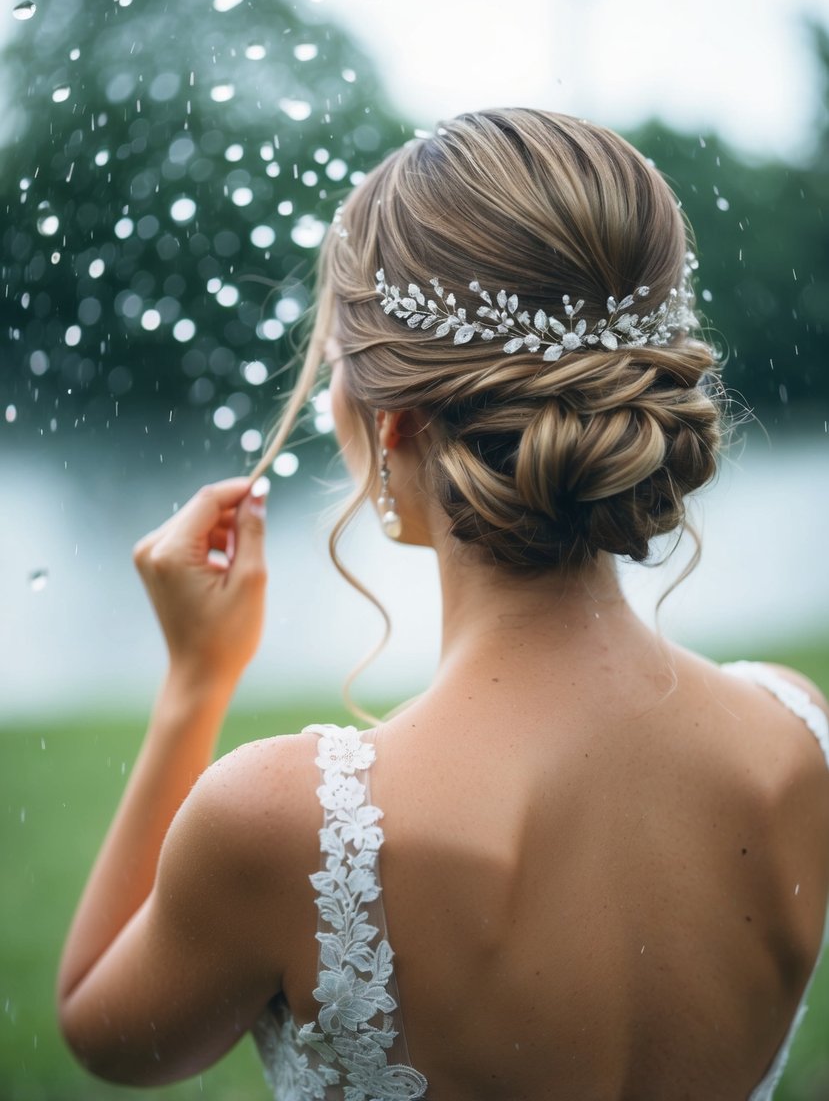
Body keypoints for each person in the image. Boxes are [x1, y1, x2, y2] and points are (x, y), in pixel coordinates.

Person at [57, 109, 829, 1100]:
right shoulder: (796, 737)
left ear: (394, 421)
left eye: (337, 365)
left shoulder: (287, 823)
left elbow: (101, 1029)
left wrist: (194, 684)